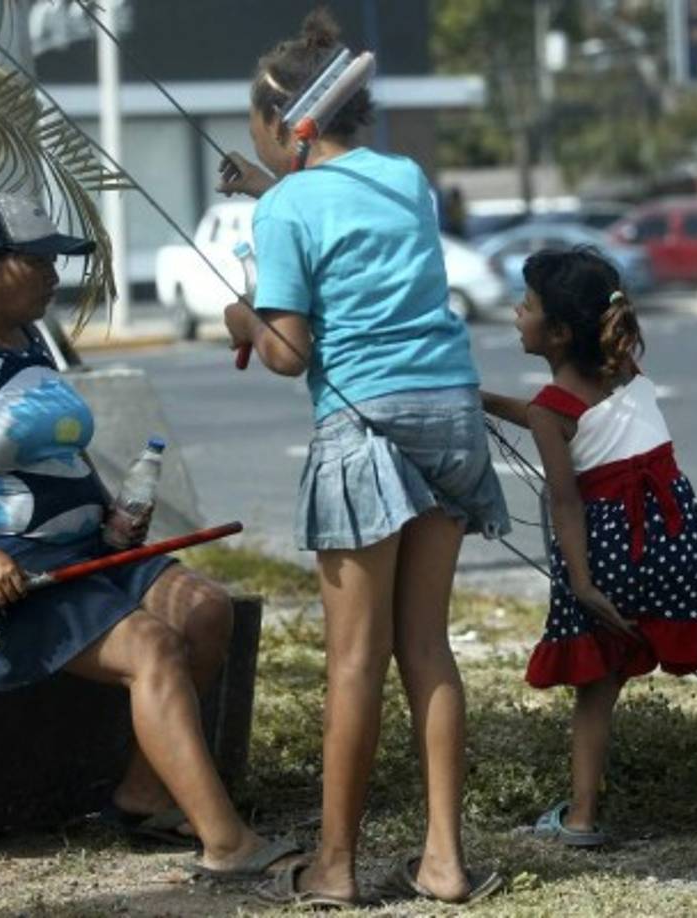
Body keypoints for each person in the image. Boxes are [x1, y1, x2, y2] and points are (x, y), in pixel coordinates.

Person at [0, 192, 299, 878]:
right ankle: (228, 845)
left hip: (80, 546)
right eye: (38, 260)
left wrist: (109, 517)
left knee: (207, 612)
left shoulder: (32, 337)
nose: (52, 274)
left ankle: (142, 797)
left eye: (55, 260)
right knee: (152, 646)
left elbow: (59, 451)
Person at [218, 11, 509, 907]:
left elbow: (288, 352)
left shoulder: (290, 206)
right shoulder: (407, 179)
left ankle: (334, 868)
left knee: (354, 658)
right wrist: (273, 190)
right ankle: (445, 863)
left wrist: (242, 314)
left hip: (366, 424)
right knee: (427, 646)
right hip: (449, 411)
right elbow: (349, 213)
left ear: (284, 120)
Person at [480, 247, 697, 847]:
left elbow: (566, 501)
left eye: (524, 306)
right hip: (682, 539)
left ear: (557, 332)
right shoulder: (622, 365)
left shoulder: (556, 411)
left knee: (598, 686)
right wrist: (488, 401)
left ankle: (580, 818)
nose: (514, 314)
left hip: (609, 549)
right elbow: (573, 418)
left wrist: (581, 583)